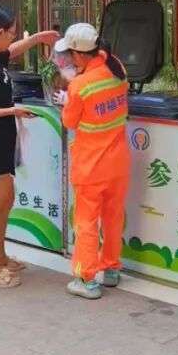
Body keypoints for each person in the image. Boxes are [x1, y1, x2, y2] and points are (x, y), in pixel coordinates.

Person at [0, 4, 58, 288]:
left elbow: (13, 51)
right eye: (12, 32)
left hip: (2, 145)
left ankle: (0, 258)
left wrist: (38, 38)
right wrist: (12, 111)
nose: (14, 37)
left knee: (5, 203)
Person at [52, 23, 130, 299]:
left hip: (90, 167)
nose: (69, 60)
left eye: (70, 55)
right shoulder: (116, 67)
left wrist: (67, 99)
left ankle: (86, 280)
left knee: (86, 222)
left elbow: (69, 121)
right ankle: (111, 269)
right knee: (112, 218)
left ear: (78, 54)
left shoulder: (80, 85)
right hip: (118, 163)